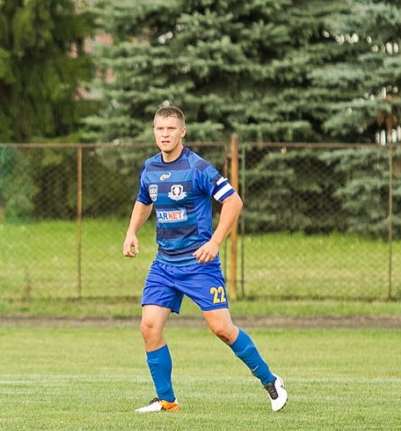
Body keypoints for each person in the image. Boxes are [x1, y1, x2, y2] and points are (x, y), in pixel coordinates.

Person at [122, 105, 287, 413]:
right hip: (164, 264)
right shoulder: (150, 168)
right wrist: (132, 232)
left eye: (171, 129)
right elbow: (144, 200)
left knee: (222, 329)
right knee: (149, 327)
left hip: (198, 264)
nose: (165, 134)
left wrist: (214, 241)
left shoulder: (198, 168)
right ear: (154, 132)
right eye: (160, 129)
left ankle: (270, 381)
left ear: (182, 131)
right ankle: (166, 400)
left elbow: (233, 201)